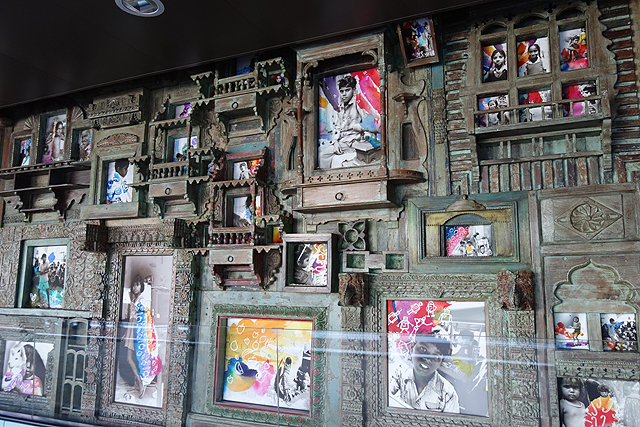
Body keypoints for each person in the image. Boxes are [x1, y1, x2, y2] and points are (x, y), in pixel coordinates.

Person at [390, 333, 460, 413]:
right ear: (412, 348)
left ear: (441, 363)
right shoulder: (400, 373)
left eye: (436, 356)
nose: (427, 359)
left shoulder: (448, 393)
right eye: (423, 349)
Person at [122, 274, 161, 399]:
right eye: (134, 285)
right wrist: (126, 333)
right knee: (130, 358)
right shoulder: (134, 299)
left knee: (134, 358)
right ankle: (138, 382)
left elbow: (143, 318)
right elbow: (131, 318)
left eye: (137, 285)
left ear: (141, 286)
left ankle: (141, 383)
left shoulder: (142, 300)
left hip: (138, 330)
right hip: (132, 329)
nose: (135, 287)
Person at [329, 75, 375, 168]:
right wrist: (335, 142)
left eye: (347, 90)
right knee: (322, 153)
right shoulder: (340, 107)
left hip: (353, 141)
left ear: (353, 90)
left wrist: (365, 136)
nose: (344, 94)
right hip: (341, 141)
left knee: (326, 155)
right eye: (342, 91)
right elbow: (337, 127)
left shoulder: (358, 104)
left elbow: (368, 124)